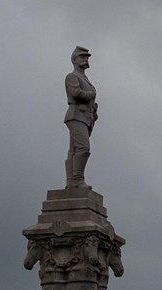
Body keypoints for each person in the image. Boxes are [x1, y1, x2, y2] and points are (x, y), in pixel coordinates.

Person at [64, 47, 97, 188]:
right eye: (82, 57)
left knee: (74, 150)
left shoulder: (84, 78)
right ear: (75, 59)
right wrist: (90, 94)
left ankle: (71, 182)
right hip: (76, 114)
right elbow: (76, 93)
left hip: (86, 117)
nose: (86, 60)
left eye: (87, 58)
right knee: (83, 148)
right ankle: (78, 179)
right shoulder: (72, 77)